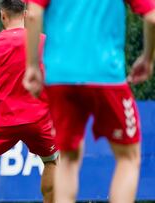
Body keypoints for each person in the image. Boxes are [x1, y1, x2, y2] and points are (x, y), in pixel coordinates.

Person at [23, 0, 155, 202]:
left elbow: (32, 14)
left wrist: (32, 65)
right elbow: (152, 18)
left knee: (67, 159)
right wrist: (147, 59)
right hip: (106, 76)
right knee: (128, 157)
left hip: (60, 78)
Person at [0, 1, 58, 202]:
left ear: (2, 15)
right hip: (39, 119)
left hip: (3, 121)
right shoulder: (43, 42)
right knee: (52, 162)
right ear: (26, 14)